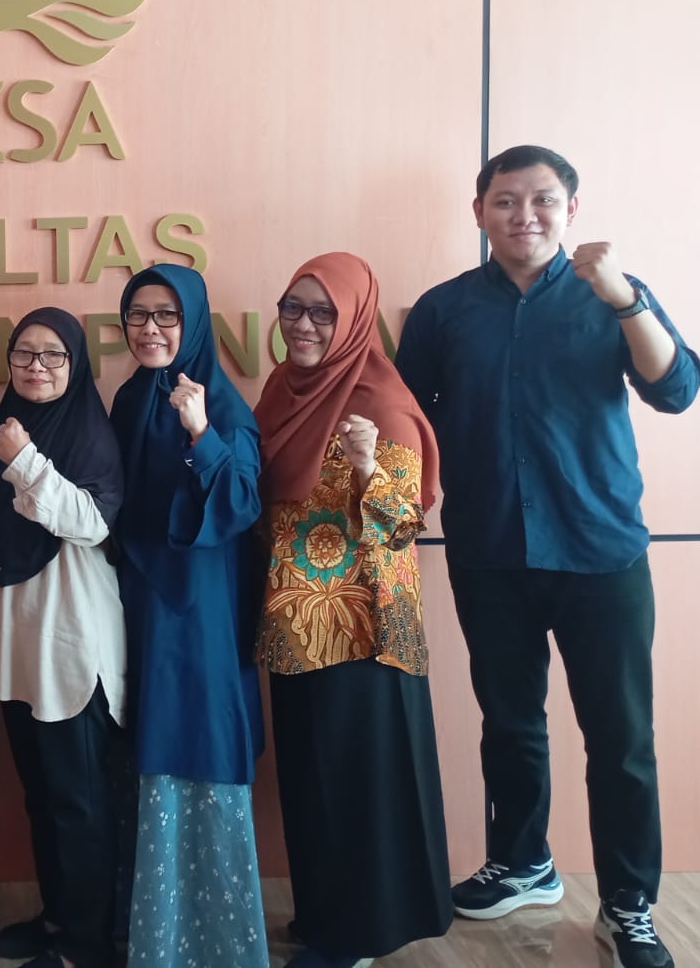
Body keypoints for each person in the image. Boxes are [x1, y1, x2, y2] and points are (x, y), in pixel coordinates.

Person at [396, 145, 700, 968]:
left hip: (601, 553)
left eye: (541, 200)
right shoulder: (444, 310)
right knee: (510, 721)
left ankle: (629, 904)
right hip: (490, 549)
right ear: (479, 212)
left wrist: (626, 298)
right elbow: (406, 416)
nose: (523, 216)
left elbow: (676, 389)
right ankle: (524, 862)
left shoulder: (614, 296)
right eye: (505, 201)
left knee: (621, 739)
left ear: (571, 209)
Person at [252, 252, 453, 968]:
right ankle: (324, 917)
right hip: (295, 624)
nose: (304, 325)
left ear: (355, 318)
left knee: (357, 785)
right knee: (311, 780)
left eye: (323, 312)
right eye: (293, 308)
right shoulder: (282, 389)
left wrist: (368, 466)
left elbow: (402, 525)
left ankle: (359, 936)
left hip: (364, 632)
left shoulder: (384, 403)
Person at [107, 262, 268, 967]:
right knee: (141, 744)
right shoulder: (128, 397)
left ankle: (218, 941)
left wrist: (201, 430)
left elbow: (242, 500)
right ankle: (151, 935)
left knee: (199, 737)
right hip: (139, 604)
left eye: (167, 315)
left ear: (194, 322)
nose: (150, 329)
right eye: (138, 315)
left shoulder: (223, 403)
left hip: (199, 609)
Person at [0, 308, 127, 968]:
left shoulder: (91, 434)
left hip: (71, 641)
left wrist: (25, 462)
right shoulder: (6, 426)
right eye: (23, 354)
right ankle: (58, 916)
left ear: (76, 363)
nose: (36, 366)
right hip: (18, 640)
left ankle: (87, 946)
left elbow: (91, 522)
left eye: (52, 355)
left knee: (78, 801)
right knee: (41, 793)